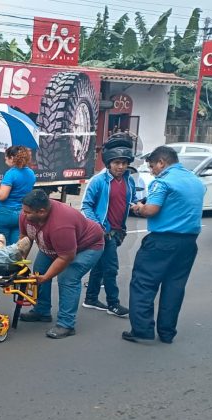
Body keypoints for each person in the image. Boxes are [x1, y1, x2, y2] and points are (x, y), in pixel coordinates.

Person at [124, 146, 205, 344]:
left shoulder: (163, 182)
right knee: (174, 287)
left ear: (161, 162)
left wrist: (139, 207)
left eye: (152, 166)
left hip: (161, 242)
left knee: (143, 284)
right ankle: (167, 332)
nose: (151, 171)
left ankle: (142, 330)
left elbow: (151, 210)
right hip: (188, 243)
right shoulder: (196, 181)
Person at [18, 189, 104, 339]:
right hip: (54, 246)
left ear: (42, 212)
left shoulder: (61, 224)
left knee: (67, 278)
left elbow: (66, 256)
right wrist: (20, 262)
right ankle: (42, 311)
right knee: (38, 270)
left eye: (27, 212)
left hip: (87, 246)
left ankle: (66, 324)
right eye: (23, 211)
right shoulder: (27, 215)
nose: (23, 214)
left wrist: (46, 277)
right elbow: (25, 238)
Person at [81, 133, 137, 318]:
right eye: (116, 163)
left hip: (118, 231)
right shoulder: (98, 181)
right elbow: (86, 206)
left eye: (124, 162)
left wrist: (137, 206)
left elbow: (130, 200)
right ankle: (114, 304)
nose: (121, 167)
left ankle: (90, 298)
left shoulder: (129, 180)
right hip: (104, 232)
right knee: (111, 268)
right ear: (108, 163)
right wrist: (99, 227)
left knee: (100, 266)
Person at [0, 145, 36, 244]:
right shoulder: (31, 173)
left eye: (6, 158)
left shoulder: (11, 174)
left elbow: (2, 196)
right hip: (21, 213)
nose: (5, 160)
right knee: (15, 249)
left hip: (4, 213)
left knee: (0, 249)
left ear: (12, 158)